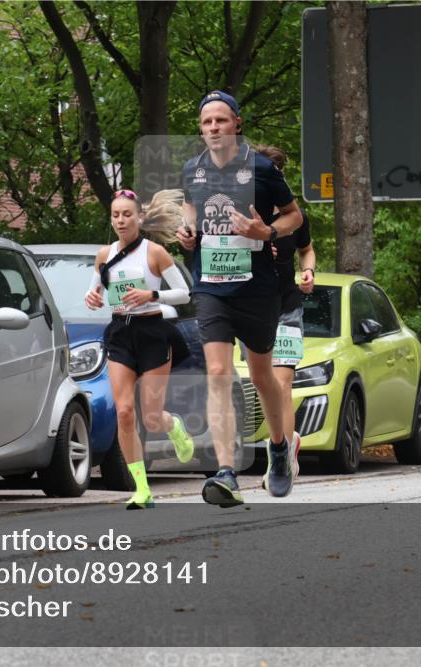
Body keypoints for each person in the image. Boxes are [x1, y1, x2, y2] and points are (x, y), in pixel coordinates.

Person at [175, 90, 304, 505]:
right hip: (210, 287)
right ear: (201, 129)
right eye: (207, 122)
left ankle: (279, 448)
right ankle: (226, 472)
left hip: (257, 289)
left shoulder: (261, 168)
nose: (214, 127)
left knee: (263, 376)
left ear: (237, 124)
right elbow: (189, 209)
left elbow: (295, 216)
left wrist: (267, 231)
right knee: (217, 372)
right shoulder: (192, 170)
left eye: (221, 120)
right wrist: (187, 233)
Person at [85, 189, 196, 509]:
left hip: (152, 333)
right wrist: (92, 298)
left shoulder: (155, 252)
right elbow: (94, 293)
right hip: (121, 332)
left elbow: (184, 293)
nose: (121, 220)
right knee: (124, 412)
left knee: (151, 417)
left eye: (127, 214)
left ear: (140, 217)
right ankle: (142, 489)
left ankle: (173, 425)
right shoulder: (104, 255)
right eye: (116, 215)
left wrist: (151, 296)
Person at [252, 144, 316, 490]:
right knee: (264, 385)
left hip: (288, 306)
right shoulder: (247, 213)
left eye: (274, 173)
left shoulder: (296, 216)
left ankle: (282, 460)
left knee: (282, 385)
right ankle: (287, 440)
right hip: (254, 307)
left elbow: (307, 250)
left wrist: (308, 272)